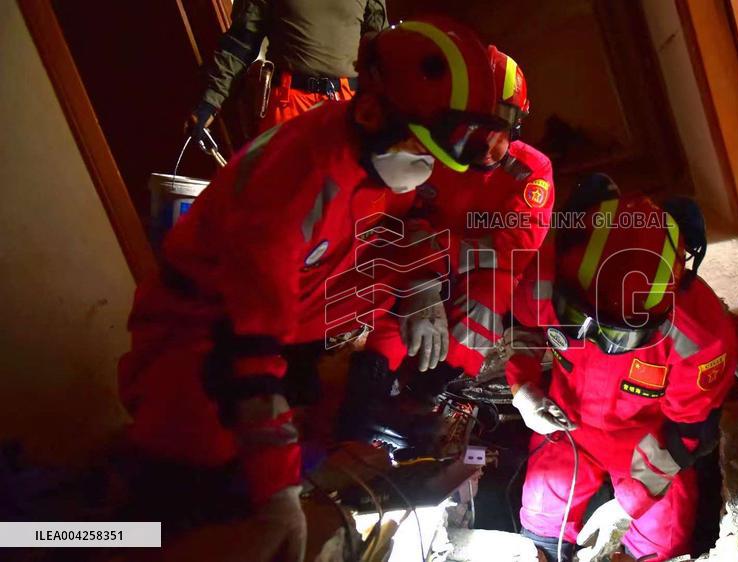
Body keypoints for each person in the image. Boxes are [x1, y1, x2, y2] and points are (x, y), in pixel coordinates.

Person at [118, 17, 501, 561]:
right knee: (183, 509)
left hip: (286, 325)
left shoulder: (378, 150)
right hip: (198, 338)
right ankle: (50, 537)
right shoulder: (296, 180)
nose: (425, 173)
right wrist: (276, 490)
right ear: (371, 112)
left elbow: (413, 216)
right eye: (421, 156)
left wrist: (421, 284)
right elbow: (247, 350)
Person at [507, 177, 738, 562]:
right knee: (539, 523)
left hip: (647, 445)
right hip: (565, 426)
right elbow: (525, 331)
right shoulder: (547, 277)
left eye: (617, 333)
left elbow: (688, 430)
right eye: (579, 318)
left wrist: (630, 503)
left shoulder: (699, 338)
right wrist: (523, 388)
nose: (598, 341)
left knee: (660, 544)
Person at [339, 46, 554, 441]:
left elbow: (513, 248)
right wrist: (421, 279)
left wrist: (438, 261)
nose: (486, 148)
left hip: (475, 269)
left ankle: (426, 394)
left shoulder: (530, 171)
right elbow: (399, 216)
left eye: (499, 133)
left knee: (489, 294)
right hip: (419, 255)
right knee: (394, 284)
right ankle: (368, 385)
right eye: (477, 131)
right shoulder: (428, 149)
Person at [186, 0, 388, 142]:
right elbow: (241, 43)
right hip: (288, 103)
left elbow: (379, 48)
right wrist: (210, 102)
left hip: (347, 106)